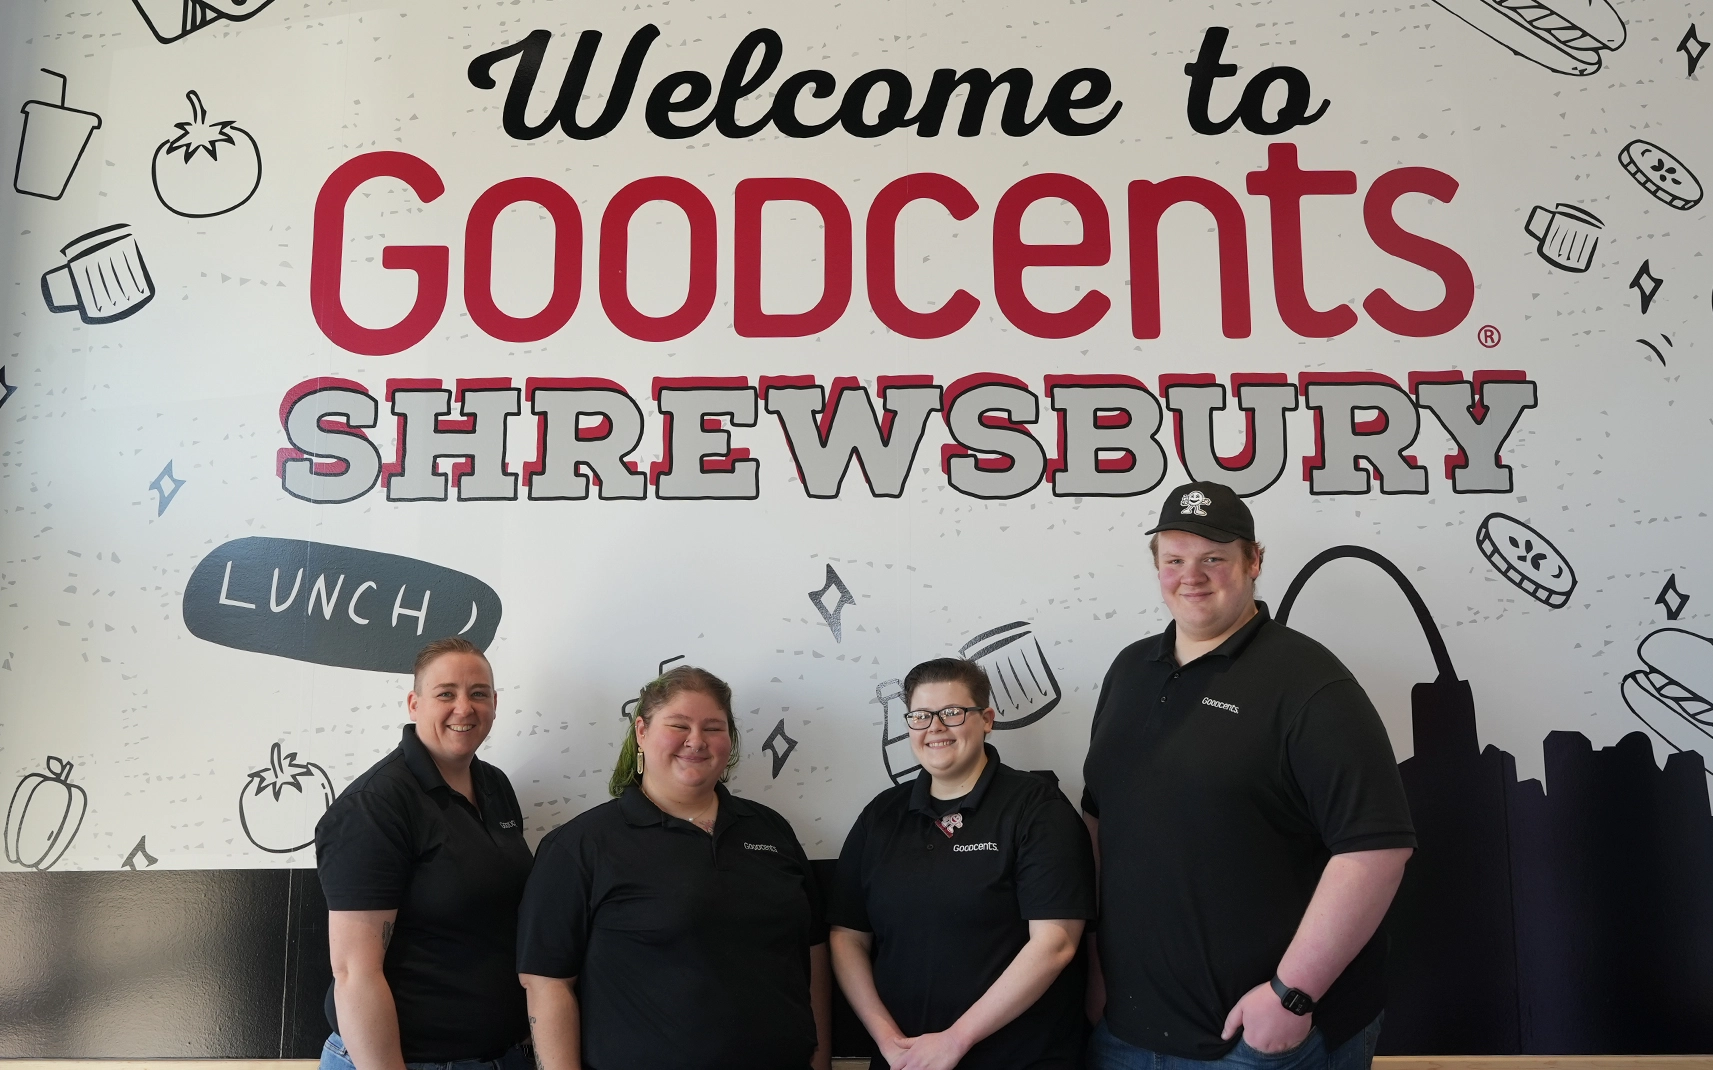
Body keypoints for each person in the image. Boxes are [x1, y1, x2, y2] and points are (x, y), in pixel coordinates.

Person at [1082, 481, 1417, 1070]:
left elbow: (1376, 850)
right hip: (1127, 1033)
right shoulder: (1129, 670)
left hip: (1261, 1041)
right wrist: (1092, 967)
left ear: (1254, 561)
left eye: (1214, 558)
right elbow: (1097, 821)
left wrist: (1291, 996)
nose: (1192, 576)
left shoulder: (1311, 684)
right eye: (1174, 559)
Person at [517, 665, 832, 1070]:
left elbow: (812, 951)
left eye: (713, 728)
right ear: (641, 732)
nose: (696, 741)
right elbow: (546, 982)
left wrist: (820, 1061)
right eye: (679, 725)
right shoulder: (580, 845)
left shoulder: (771, 829)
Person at [832, 657, 1096, 1070]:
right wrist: (888, 1040)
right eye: (921, 716)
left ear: (987, 719)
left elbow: (1056, 943)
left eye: (952, 712)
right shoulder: (881, 816)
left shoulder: (1037, 808)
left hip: (1018, 1058)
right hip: (905, 1060)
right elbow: (848, 936)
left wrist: (955, 1041)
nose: (935, 727)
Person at [314, 637, 533, 1070]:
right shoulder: (374, 806)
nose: (464, 708)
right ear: (414, 705)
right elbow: (355, 975)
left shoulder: (495, 785)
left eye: (478, 694)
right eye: (445, 694)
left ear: (495, 703)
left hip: (497, 1056)